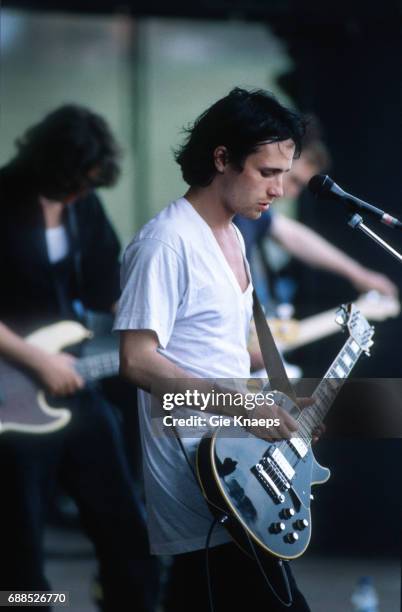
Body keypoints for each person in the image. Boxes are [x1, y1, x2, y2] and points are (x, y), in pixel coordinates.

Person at [115, 87, 312, 611]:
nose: (279, 188)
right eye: (267, 172)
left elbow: (218, 353)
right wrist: (243, 406)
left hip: (241, 465)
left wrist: (273, 396)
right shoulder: (165, 242)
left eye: (285, 173)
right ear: (222, 158)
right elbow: (136, 360)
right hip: (198, 478)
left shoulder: (234, 234)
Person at [0, 106, 158, 611]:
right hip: (8, 392)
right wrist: (34, 359)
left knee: (126, 530)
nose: (80, 194)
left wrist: (155, 329)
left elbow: (108, 290)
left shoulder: (82, 207)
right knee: (17, 553)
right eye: (75, 182)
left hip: (71, 381)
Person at [234, 123, 397, 301]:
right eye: (294, 180)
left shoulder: (255, 213)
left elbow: (296, 237)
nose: (288, 192)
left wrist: (360, 275)